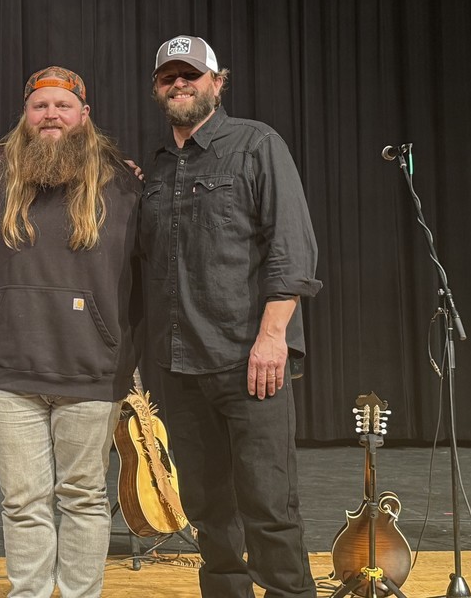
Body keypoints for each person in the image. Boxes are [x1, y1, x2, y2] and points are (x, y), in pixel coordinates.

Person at [139, 35, 322, 598]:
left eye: (191, 75)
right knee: (208, 509)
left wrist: (272, 340)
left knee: (267, 504)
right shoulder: (157, 170)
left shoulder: (256, 144)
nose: (180, 84)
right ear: (157, 90)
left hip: (249, 361)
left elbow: (292, 250)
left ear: (218, 82)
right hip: (180, 366)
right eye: (169, 76)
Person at [0, 66, 142, 598]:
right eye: (39, 106)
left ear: (84, 116)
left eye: (62, 106)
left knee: (84, 497)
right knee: (21, 502)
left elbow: (146, 278)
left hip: (92, 370)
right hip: (13, 370)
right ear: (25, 116)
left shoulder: (124, 185)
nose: (51, 115)